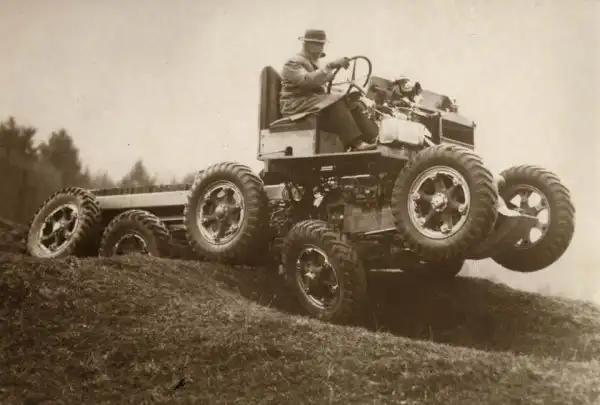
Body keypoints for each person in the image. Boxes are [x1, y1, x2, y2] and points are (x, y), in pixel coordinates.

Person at [279, 29, 378, 152]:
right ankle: (355, 143)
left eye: (323, 44)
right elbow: (306, 81)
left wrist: (344, 93)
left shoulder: (314, 62)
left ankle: (373, 137)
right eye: (319, 44)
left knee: (349, 101)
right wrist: (330, 66)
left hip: (309, 101)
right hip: (295, 104)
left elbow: (322, 87)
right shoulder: (293, 63)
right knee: (335, 102)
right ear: (307, 44)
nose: (322, 48)